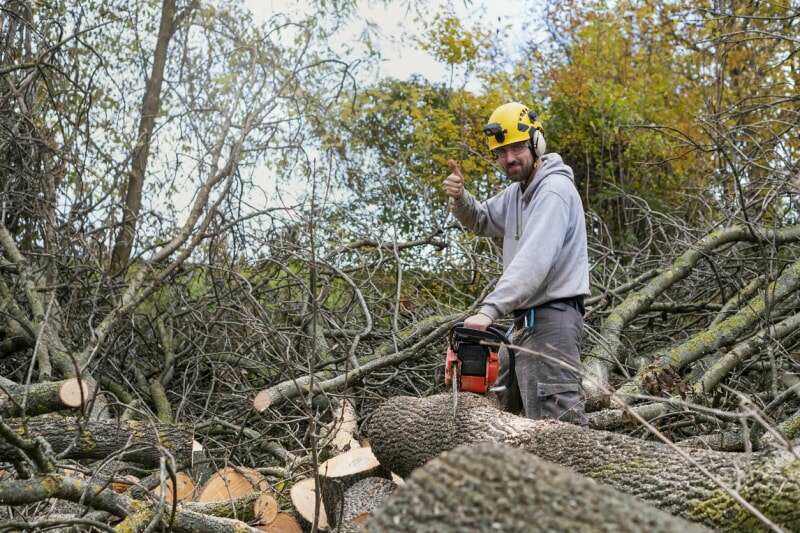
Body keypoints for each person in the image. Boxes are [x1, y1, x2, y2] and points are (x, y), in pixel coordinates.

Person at [442, 102, 590, 424]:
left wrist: (488, 310)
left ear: (536, 143)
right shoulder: (515, 195)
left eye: (517, 148)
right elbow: (481, 219)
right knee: (504, 418)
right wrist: (460, 199)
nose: (509, 158)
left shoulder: (553, 191)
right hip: (524, 325)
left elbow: (533, 262)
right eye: (501, 152)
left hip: (552, 321)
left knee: (558, 430)